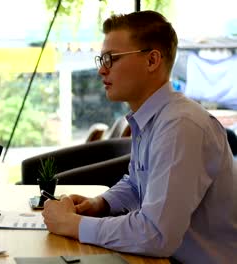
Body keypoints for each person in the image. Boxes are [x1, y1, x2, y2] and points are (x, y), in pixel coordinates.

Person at [42, 10, 237, 263]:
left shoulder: (181, 126)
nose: (102, 70)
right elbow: (138, 184)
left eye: (111, 58)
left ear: (152, 60)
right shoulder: (153, 118)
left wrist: (73, 224)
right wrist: (100, 204)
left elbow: (155, 234)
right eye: (101, 59)